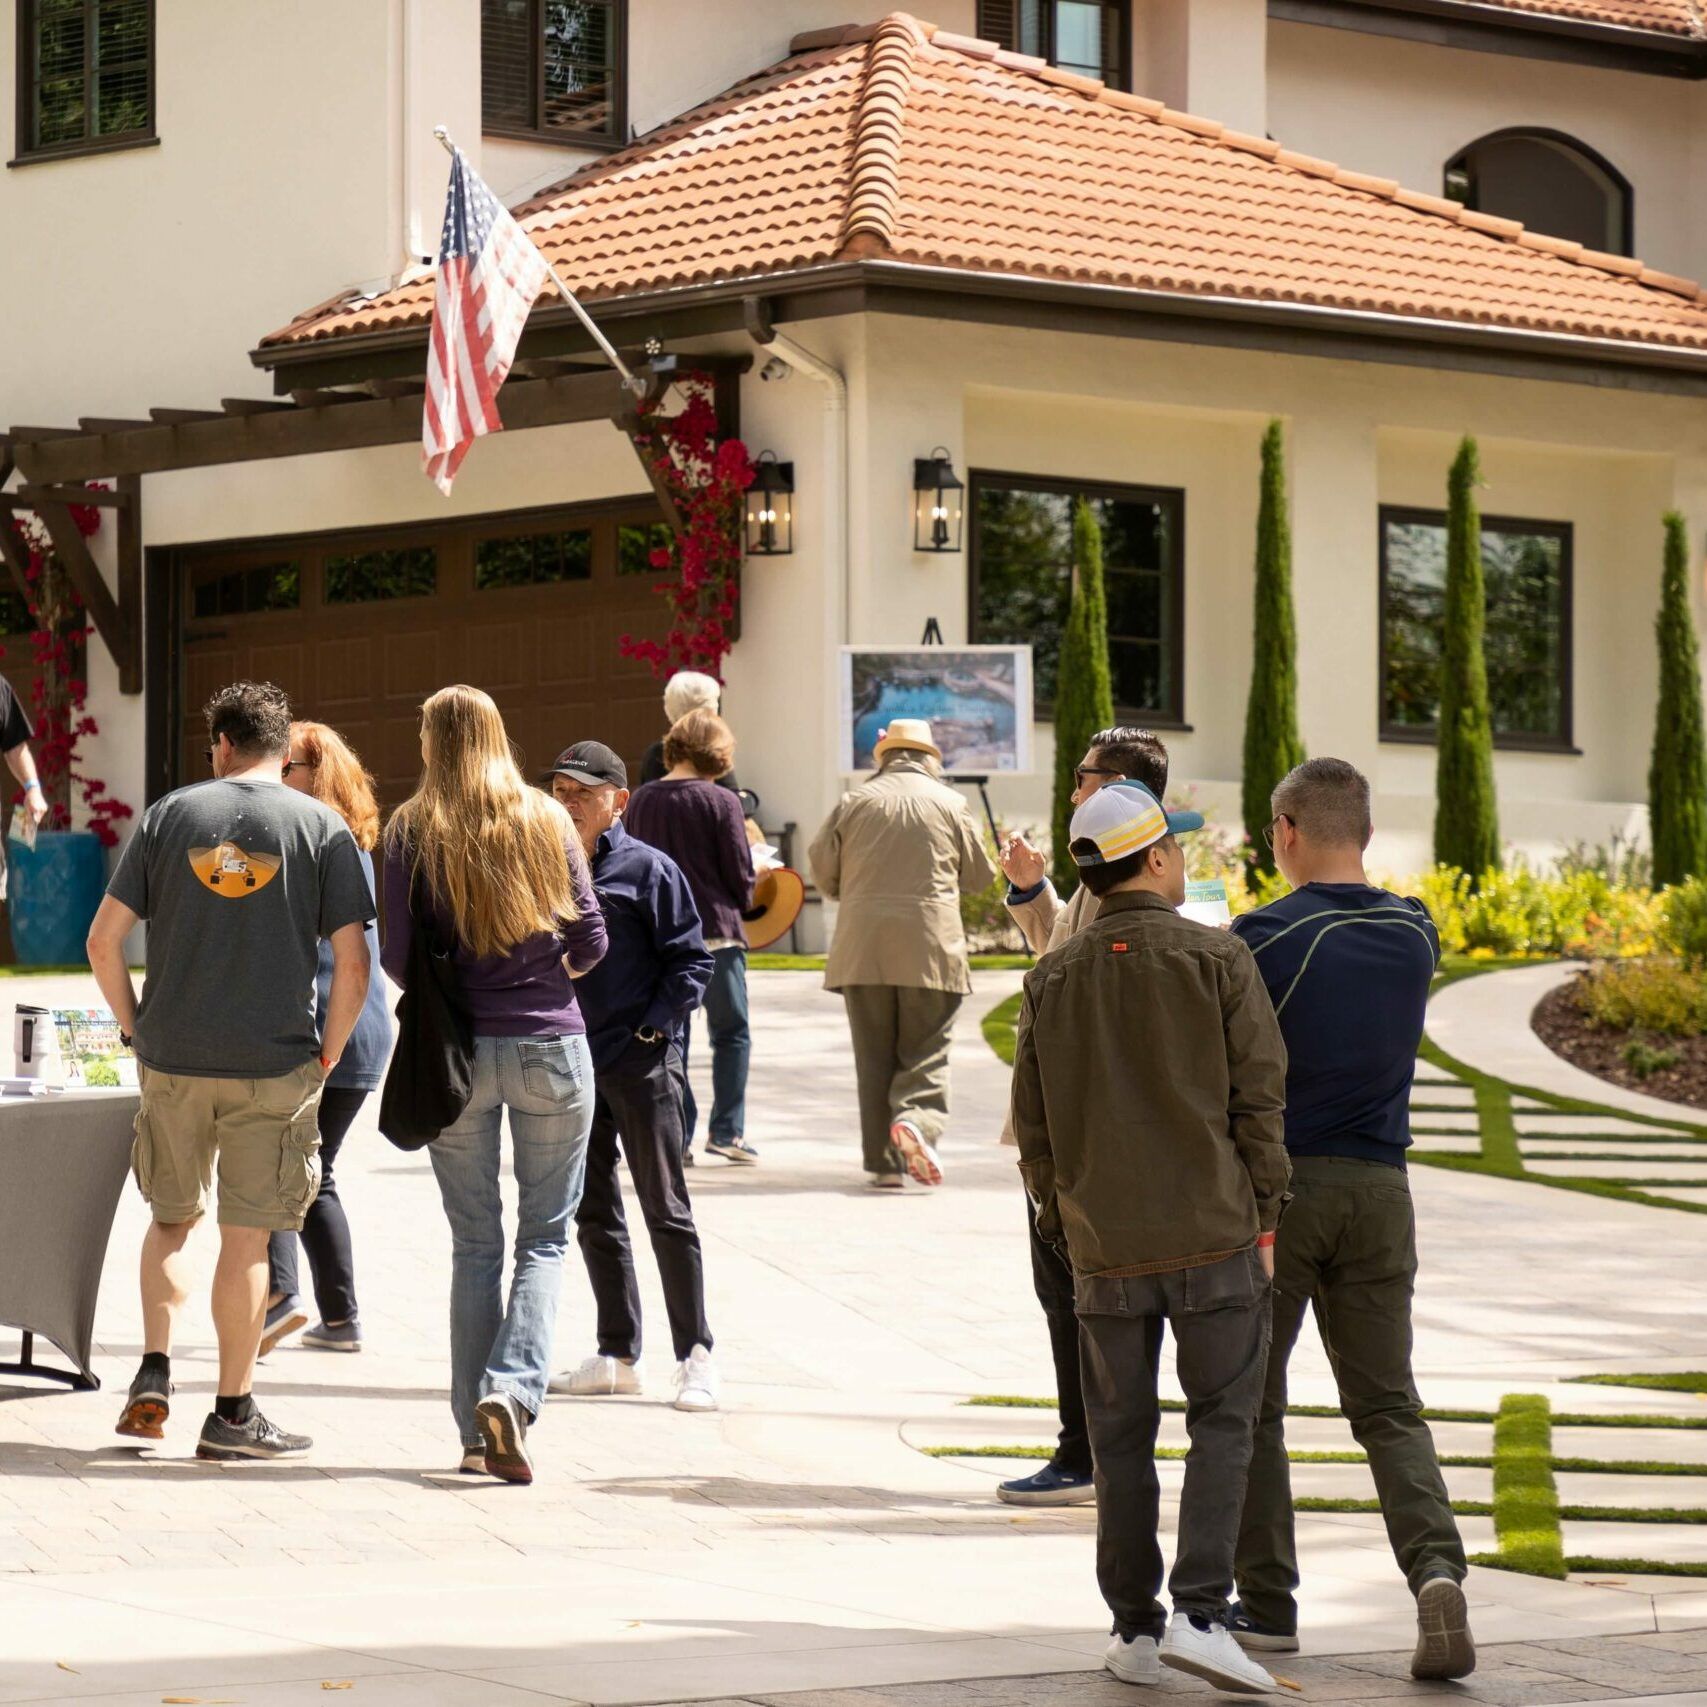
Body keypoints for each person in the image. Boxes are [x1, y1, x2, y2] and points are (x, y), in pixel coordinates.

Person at [1011, 780, 1290, 1697]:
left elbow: (1035, 1126)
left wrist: (1064, 1217)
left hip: (1104, 1246)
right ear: (1158, 856)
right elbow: (1259, 1097)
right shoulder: (1216, 957)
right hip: (1212, 1230)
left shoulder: (1051, 972)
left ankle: (1135, 1630)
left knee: (1119, 1436)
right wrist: (1265, 1212)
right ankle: (1203, 1614)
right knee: (1223, 1421)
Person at [86, 681, 374, 1461]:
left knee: (171, 1219)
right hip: (274, 1062)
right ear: (285, 751)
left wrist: (133, 1027)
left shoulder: (170, 815)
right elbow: (354, 964)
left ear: (220, 744)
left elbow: (102, 941)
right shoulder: (323, 826)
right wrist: (332, 1050)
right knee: (247, 1241)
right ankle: (232, 1413)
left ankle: (152, 1369)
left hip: (174, 1057)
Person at [1231, 759, 1474, 1682]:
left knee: (1251, 1401)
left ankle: (1267, 1604)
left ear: (1286, 829)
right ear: (1362, 831)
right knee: (1386, 1404)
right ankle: (1436, 1573)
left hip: (1283, 1193)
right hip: (1383, 1189)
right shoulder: (1416, 929)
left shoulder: (1263, 935)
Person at [382, 685, 606, 1484]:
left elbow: (397, 957)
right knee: (545, 1236)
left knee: (474, 1241)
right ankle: (510, 1394)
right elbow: (592, 937)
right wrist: (545, 976)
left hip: (457, 1056)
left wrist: (459, 986)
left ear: (433, 742)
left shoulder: (411, 828)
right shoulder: (547, 818)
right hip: (550, 1041)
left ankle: (474, 1432)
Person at [993, 727, 1169, 1508]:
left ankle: (1088, 1454)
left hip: (1088, 1131)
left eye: (1083, 778)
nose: (1071, 793)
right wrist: (1034, 896)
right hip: (1072, 1128)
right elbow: (1060, 960)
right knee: (1063, 1294)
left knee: (1082, 1296)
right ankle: (1093, 1449)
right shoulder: (1105, 877)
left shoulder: (1149, 885)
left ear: (1121, 787)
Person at [541, 742, 721, 1411]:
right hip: (568, 1062)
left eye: (582, 791)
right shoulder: (544, 867)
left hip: (643, 1063)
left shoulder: (650, 869)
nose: (568, 803)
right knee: (592, 1211)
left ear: (617, 799)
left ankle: (696, 1355)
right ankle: (617, 1353)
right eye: (559, 790)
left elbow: (691, 964)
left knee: (665, 1210)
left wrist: (652, 1031)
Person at [808, 719, 994, 1189]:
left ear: (886, 754)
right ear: (930, 756)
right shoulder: (951, 803)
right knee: (927, 1050)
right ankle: (916, 1120)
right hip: (932, 946)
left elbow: (821, 862)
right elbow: (980, 877)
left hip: (861, 947)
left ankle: (884, 1165)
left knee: (873, 1058)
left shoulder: (854, 801)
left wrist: (842, 890)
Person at [259, 722, 393, 1359]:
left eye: (288, 765)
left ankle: (282, 1296)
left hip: (326, 1029)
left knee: (275, 1165)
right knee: (314, 1172)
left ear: (319, 772)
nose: (277, 774)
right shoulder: (352, 841)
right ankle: (339, 1318)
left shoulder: (308, 838)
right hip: (361, 1029)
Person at [625, 709, 756, 1166]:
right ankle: (727, 1132)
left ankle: (678, 1133)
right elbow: (740, 880)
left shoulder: (640, 801)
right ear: (717, 753)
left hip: (659, 941)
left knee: (670, 1037)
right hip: (716, 936)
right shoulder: (723, 802)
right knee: (732, 1034)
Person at [637, 671, 740, 794]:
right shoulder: (711, 750)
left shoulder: (654, 754)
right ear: (709, 709)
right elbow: (733, 801)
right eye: (715, 701)